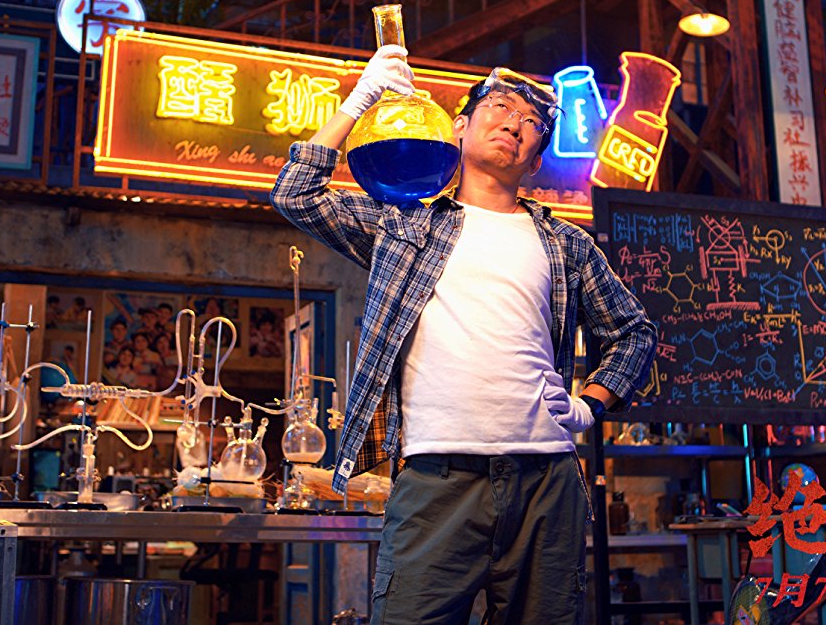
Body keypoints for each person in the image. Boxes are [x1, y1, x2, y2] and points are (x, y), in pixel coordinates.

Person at [270, 46, 657, 623]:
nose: (514, 124)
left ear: (535, 160)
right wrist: (360, 99)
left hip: (547, 479)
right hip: (436, 477)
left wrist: (589, 405)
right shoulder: (407, 225)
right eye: (499, 107)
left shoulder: (566, 243)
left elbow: (634, 331)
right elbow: (295, 193)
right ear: (459, 126)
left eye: (532, 123)